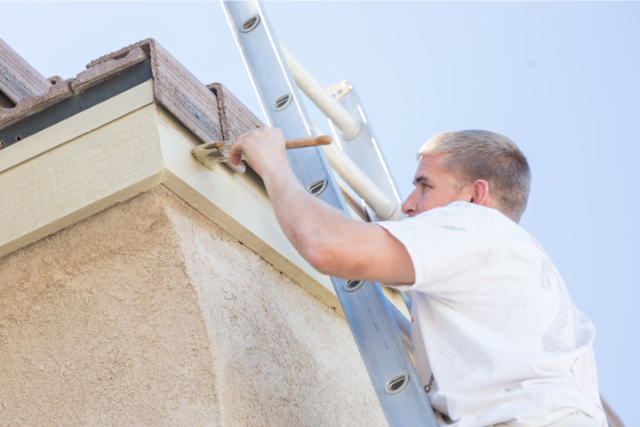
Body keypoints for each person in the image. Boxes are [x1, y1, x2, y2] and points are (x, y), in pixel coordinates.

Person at [228, 127, 607, 427]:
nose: (408, 204)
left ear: (475, 196)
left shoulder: (474, 224)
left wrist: (273, 164)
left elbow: (326, 246)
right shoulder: (531, 280)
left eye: (425, 185)